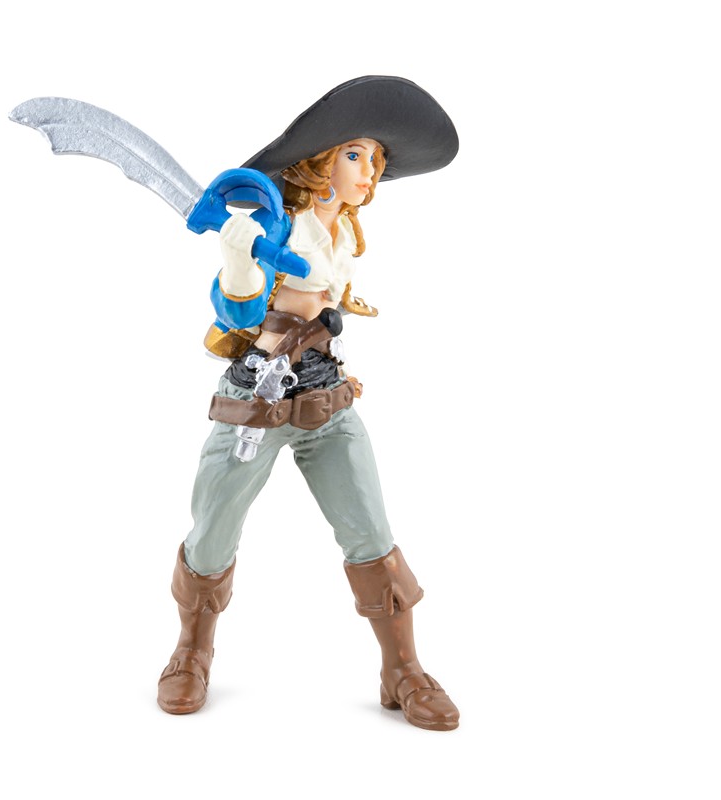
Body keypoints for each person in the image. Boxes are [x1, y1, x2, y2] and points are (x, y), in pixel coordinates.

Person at [156, 76, 462, 731]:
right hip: (257, 395)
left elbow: (325, 309)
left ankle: (402, 669)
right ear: (319, 163)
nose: (370, 170)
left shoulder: (341, 233)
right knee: (213, 531)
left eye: (376, 158)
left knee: (370, 530)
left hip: (325, 393)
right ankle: (191, 651)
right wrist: (241, 262)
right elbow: (238, 310)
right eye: (355, 154)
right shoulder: (274, 225)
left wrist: (338, 366)